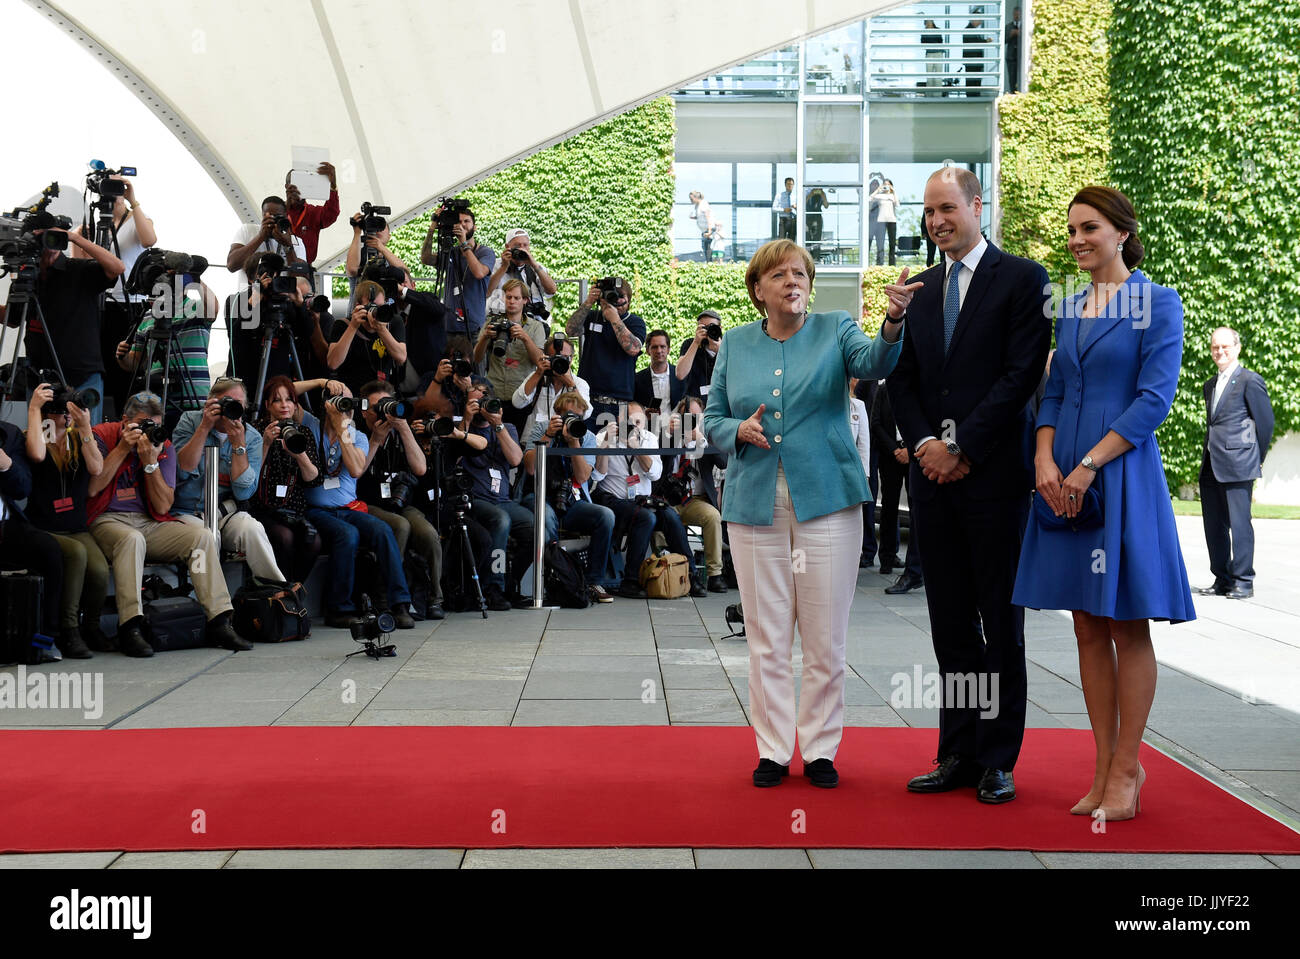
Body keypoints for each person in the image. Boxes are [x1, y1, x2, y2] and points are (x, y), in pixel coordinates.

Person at [1013, 185, 1196, 822]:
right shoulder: (1069, 309)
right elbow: (1056, 392)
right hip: (1062, 475)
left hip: (1117, 476)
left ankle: (1127, 769)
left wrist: (1089, 464)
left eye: (1089, 228)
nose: (1077, 239)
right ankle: (1102, 767)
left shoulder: (1159, 303)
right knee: (1086, 623)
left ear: (1122, 232)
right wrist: (1044, 458)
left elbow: (1153, 400)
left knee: (1125, 621)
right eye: (1071, 230)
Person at [703, 238, 903, 788]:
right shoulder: (736, 345)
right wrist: (734, 430)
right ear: (757, 290)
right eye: (780, 275)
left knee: (824, 634)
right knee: (766, 634)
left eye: (801, 273)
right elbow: (711, 418)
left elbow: (876, 359)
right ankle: (771, 749)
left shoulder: (836, 328)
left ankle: (819, 749)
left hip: (827, 500)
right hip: (753, 500)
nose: (794, 281)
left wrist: (891, 320)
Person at [886, 167, 1050, 804]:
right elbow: (900, 379)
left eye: (946, 208)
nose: (935, 222)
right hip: (933, 483)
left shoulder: (1024, 280)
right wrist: (927, 444)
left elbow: (1020, 377)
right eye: (928, 212)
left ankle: (998, 756)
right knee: (949, 622)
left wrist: (961, 446)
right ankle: (956, 748)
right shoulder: (919, 291)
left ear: (977, 205)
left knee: (1000, 622)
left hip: (993, 480)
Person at [87, 391, 253, 656]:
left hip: (150, 521)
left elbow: (164, 505)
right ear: (124, 420)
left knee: (201, 537)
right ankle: (130, 626)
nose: (147, 431)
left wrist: (150, 463)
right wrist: (122, 449)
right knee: (132, 539)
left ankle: (219, 620)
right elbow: (93, 488)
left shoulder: (161, 443)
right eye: (141, 424)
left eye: (152, 424)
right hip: (108, 518)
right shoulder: (103, 434)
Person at [302, 385, 416, 629]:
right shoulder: (311, 425)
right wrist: (321, 382)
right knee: (348, 535)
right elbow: (288, 390)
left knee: (383, 530)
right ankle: (339, 608)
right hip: (316, 510)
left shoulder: (358, 436)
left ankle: (400, 603)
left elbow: (355, 469)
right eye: (339, 403)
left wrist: (342, 426)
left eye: (348, 403)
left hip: (348, 508)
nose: (345, 409)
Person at [19, 385, 109, 658]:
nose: (67, 416)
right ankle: (69, 631)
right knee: (76, 554)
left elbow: (96, 468)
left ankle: (91, 627)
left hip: (76, 526)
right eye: (62, 412)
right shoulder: (35, 437)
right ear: (50, 413)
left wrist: (85, 428)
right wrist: (35, 409)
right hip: (44, 526)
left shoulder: (78, 438)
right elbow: (36, 454)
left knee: (100, 570)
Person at [170, 377, 287, 583]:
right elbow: (181, 470)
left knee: (253, 529)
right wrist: (205, 427)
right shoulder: (191, 420)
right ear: (211, 402)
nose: (233, 408)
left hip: (224, 513)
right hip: (188, 511)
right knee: (206, 534)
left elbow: (244, 492)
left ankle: (274, 591)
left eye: (238, 404)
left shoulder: (251, 437)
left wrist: (238, 445)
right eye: (227, 402)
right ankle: (214, 603)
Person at [14, 223, 126, 425]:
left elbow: (117, 267)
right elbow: (14, 317)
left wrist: (74, 238)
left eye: (52, 239)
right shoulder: (27, 276)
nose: (49, 246)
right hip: (39, 376)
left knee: (87, 441)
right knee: (43, 446)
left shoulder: (78, 270)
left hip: (81, 374)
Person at [357, 379, 446, 620]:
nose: (383, 412)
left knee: (428, 533)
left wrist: (404, 428)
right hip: (367, 503)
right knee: (400, 526)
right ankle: (387, 599)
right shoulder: (357, 433)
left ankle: (435, 598)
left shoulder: (399, 433)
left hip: (401, 503)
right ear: (365, 409)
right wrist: (375, 440)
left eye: (388, 405)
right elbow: (357, 471)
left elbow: (420, 469)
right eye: (377, 407)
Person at [519, 390, 617, 604]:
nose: (573, 421)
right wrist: (548, 436)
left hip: (572, 499)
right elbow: (530, 469)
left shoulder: (587, 436)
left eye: (578, 417)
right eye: (568, 417)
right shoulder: (541, 429)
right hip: (540, 495)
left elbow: (582, 477)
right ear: (557, 415)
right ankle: (554, 579)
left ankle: (592, 581)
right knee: (546, 516)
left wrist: (574, 443)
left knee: (605, 516)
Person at [72, 173, 157, 416]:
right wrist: (82, 239)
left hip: (129, 304)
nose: (114, 197)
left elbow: (149, 239)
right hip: (98, 305)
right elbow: (80, 270)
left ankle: (124, 421)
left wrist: (133, 200)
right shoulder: (89, 228)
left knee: (123, 368)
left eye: (118, 191)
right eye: (108, 190)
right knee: (97, 366)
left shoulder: (136, 219)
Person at [1198, 328, 1274, 600]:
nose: (1220, 352)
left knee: (1240, 524)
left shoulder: (1249, 381)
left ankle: (1243, 581)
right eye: (1215, 347)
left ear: (1237, 348)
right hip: (1211, 464)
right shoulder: (1210, 384)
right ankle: (1222, 578)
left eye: (1225, 347)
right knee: (1213, 525)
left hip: (1239, 463)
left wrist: (1255, 458)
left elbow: (1265, 423)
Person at [456, 379, 534, 610]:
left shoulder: (506, 428)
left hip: (502, 499)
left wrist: (497, 425)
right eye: (474, 402)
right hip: (473, 499)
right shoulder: (460, 427)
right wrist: (466, 420)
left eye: (484, 400)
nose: (480, 406)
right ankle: (493, 588)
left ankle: (511, 582)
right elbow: (454, 456)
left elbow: (516, 460)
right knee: (501, 521)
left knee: (535, 527)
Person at [0, 419, 72, 659]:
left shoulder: (8, 434)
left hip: (5, 525)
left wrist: (4, 463)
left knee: (48, 549)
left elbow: (22, 488)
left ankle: (45, 639)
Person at [253, 375, 327, 585]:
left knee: (313, 540)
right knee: (284, 538)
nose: (284, 405)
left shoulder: (302, 432)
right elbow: (247, 478)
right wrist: (265, 444)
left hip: (293, 509)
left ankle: (293, 590)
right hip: (263, 507)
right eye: (277, 400)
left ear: (296, 405)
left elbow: (314, 479)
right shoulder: (256, 429)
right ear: (267, 405)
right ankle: (281, 591)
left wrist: (298, 453)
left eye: (289, 399)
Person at [662, 395, 728, 593]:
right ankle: (679, 572)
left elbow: (723, 462)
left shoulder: (706, 436)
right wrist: (671, 435)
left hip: (695, 500)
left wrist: (702, 441)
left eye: (697, 416)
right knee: (663, 517)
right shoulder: (668, 435)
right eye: (687, 416)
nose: (692, 420)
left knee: (712, 516)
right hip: (668, 499)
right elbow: (658, 458)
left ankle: (715, 575)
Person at [565, 277, 645, 433]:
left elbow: (633, 349)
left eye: (620, 296)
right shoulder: (593, 316)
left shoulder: (635, 322)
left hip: (619, 403)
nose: (615, 300)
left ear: (629, 300)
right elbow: (571, 331)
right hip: (589, 399)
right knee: (586, 447)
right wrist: (589, 302)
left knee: (615, 451)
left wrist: (614, 318)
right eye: (611, 295)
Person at [476, 279, 547, 434]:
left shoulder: (536, 327)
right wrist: (485, 338)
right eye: (508, 297)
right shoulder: (492, 323)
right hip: (494, 394)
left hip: (521, 398)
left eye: (516, 298)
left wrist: (525, 338)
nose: (512, 302)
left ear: (525, 300)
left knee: (517, 444)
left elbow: (540, 362)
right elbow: (476, 358)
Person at [870, 382, 922, 592]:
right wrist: (894, 449)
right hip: (890, 457)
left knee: (916, 508)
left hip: (916, 455)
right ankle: (887, 558)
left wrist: (910, 449)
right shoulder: (884, 390)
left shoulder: (920, 388)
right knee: (889, 507)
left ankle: (915, 566)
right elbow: (876, 424)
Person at [421, 202, 496, 341]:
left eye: (466, 221)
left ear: (475, 226)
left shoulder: (486, 252)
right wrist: (432, 228)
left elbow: (479, 273)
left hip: (474, 328)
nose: (462, 225)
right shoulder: (451, 252)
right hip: (449, 326)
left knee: (474, 363)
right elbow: (426, 259)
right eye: (459, 222)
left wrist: (463, 243)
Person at [326, 280, 408, 389]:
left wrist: (381, 329)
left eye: (380, 306)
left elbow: (401, 357)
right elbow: (333, 363)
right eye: (371, 307)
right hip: (351, 392)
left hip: (383, 392)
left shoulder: (393, 322)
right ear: (358, 306)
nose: (375, 312)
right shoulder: (342, 325)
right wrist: (353, 327)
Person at [512, 331, 590, 423]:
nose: (559, 362)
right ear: (546, 357)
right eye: (555, 358)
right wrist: (538, 374)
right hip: (535, 435)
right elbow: (517, 403)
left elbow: (586, 414)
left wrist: (570, 384)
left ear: (571, 359)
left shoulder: (579, 383)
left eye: (564, 357)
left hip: (564, 434)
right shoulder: (537, 377)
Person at [487, 228, 558, 318]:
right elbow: (486, 291)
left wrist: (534, 266)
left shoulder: (537, 267)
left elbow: (552, 290)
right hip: (503, 318)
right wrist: (504, 267)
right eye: (517, 246)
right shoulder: (495, 265)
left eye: (525, 245)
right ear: (507, 247)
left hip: (532, 321)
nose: (522, 249)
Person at [226, 196, 307, 272]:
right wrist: (260, 237)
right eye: (269, 216)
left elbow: (300, 276)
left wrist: (288, 246)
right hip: (250, 286)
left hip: (282, 286)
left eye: (277, 216)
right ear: (262, 215)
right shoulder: (248, 230)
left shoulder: (296, 241)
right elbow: (231, 265)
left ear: (285, 216)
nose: (273, 220)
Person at [284, 162, 340, 271]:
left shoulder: (313, 212)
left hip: (305, 270)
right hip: (281, 270)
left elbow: (331, 214)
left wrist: (332, 186)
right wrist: (287, 205)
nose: (298, 188)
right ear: (287, 186)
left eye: (303, 183)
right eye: (295, 183)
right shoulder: (277, 210)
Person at [848, 377, 876, 569]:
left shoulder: (858, 406)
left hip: (851, 474)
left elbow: (863, 445)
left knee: (853, 519)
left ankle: (853, 557)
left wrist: (864, 476)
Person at [634, 329, 685, 434]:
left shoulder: (680, 375)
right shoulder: (638, 379)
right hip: (649, 433)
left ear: (668, 349)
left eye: (662, 346)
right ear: (648, 351)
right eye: (654, 347)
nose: (659, 350)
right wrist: (644, 413)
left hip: (676, 433)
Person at [675, 311, 723, 400]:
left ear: (720, 328)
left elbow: (737, 373)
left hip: (720, 402)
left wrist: (720, 351)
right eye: (704, 327)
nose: (708, 331)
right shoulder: (689, 344)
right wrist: (696, 343)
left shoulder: (726, 344)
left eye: (712, 327)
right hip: (694, 404)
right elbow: (680, 374)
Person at [868, 179, 899, 266]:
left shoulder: (893, 196)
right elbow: (870, 198)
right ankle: (879, 264)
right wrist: (878, 189)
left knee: (892, 244)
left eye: (888, 185)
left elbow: (897, 204)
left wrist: (893, 190)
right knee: (880, 244)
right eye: (885, 185)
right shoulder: (880, 196)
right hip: (881, 221)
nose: (886, 187)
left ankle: (892, 264)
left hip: (892, 221)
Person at [689, 191, 718, 261]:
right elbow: (701, 217)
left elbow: (708, 217)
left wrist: (709, 231)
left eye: (691, 199)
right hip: (705, 230)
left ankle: (710, 263)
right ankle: (709, 262)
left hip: (709, 229)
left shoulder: (703, 204)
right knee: (705, 247)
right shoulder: (697, 206)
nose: (691, 201)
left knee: (707, 248)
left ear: (696, 198)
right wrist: (694, 217)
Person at [1005, 7, 1022, 93]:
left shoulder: (1025, 26)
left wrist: (1020, 33)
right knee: (1012, 79)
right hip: (1011, 57)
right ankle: (1012, 93)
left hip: (1021, 57)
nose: (1016, 16)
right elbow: (1003, 40)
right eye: (1015, 14)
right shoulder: (1008, 26)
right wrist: (1011, 35)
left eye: (1018, 14)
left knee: (1022, 78)